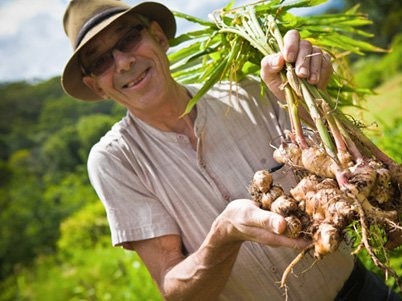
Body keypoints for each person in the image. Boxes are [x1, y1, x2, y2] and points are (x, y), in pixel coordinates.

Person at [61, 1, 401, 300]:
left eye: (127, 39)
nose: (122, 63)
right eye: (101, 60)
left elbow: (351, 174)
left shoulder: (254, 93)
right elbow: (174, 289)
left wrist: (306, 92)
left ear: (158, 37)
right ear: (94, 84)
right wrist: (224, 235)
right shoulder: (115, 160)